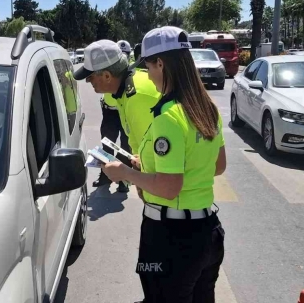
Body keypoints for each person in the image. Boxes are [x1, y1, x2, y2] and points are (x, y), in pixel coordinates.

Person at [102, 26, 227, 303]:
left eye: (147, 65)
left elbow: (170, 187)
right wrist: (143, 165)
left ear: (160, 63)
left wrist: (124, 172)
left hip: (170, 238)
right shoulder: (206, 108)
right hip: (208, 234)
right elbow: (217, 166)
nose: (146, 73)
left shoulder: (168, 116)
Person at [73, 40, 160, 192]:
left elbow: (158, 160)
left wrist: (128, 174)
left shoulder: (135, 98)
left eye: (91, 76)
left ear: (107, 76)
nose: (88, 80)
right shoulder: (124, 91)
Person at [94, 40, 133, 192]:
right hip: (110, 111)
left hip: (125, 110)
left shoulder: (131, 69)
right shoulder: (108, 68)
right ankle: (105, 176)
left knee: (126, 146)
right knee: (107, 144)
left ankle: (124, 180)